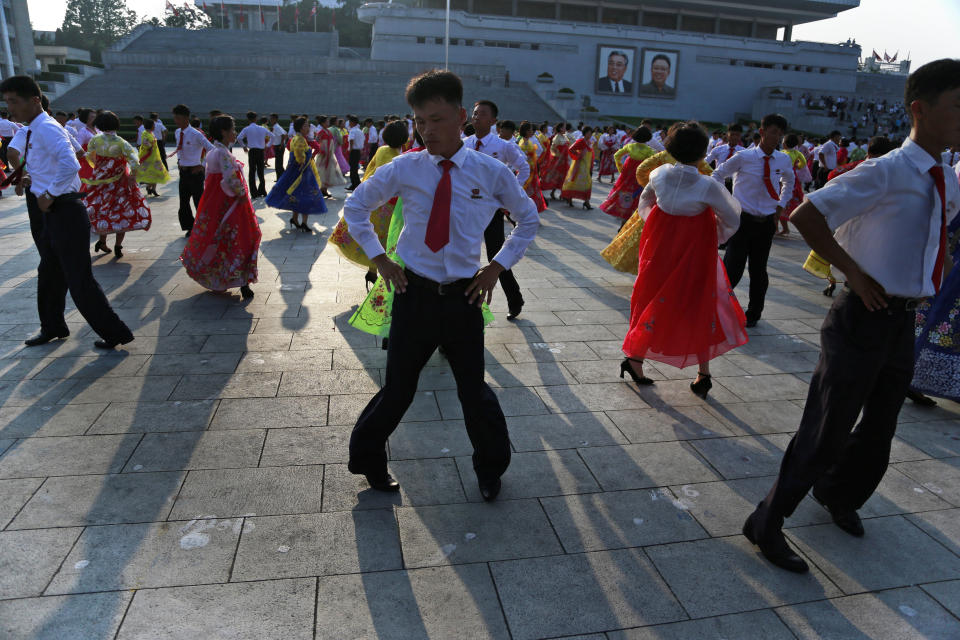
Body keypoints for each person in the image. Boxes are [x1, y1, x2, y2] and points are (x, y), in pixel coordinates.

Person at [743, 59, 960, 574]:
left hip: (901, 320)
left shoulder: (946, 175)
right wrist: (854, 275)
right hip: (860, 316)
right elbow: (807, 215)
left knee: (881, 430)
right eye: (958, 107)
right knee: (827, 427)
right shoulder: (886, 169)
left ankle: (838, 493)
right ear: (920, 110)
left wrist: (930, 283)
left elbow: (937, 236)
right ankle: (766, 521)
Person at [341, 69, 539, 500]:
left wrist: (497, 267)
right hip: (414, 294)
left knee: (474, 391)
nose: (427, 130)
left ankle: (491, 468)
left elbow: (528, 219)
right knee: (397, 390)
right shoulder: (406, 167)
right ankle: (368, 458)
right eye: (419, 121)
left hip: (465, 297)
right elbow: (354, 207)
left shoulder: (491, 172)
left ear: (461, 116)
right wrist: (380, 258)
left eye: (436, 119)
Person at [1, 75, 133, 349]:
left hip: (65, 211)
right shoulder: (34, 129)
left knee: (78, 278)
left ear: (34, 101)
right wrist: (34, 182)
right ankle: (53, 326)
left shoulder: (47, 128)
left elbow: (70, 164)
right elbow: (50, 165)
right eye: (7, 102)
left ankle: (115, 332)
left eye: (14, 102)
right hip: (53, 212)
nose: (10, 108)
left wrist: (49, 194)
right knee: (49, 273)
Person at [620, 121, 745, 396]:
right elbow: (732, 217)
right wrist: (715, 235)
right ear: (703, 152)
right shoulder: (707, 185)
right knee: (698, 304)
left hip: (659, 248)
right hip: (694, 252)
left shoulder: (660, 173)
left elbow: (645, 202)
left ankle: (635, 358)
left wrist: (660, 223)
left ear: (670, 148)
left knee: (648, 298)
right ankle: (703, 373)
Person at [712, 113, 794, 328]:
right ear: (762, 132)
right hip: (742, 220)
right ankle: (718, 308)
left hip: (766, 221)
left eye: (780, 134)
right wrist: (725, 202)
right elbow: (717, 175)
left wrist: (780, 205)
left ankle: (754, 313)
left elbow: (789, 182)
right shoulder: (744, 157)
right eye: (773, 132)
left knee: (759, 270)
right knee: (733, 267)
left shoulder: (784, 159)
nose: (776, 137)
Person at [181, 115, 261, 300]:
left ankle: (221, 280)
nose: (234, 132)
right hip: (231, 206)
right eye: (232, 129)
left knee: (221, 242)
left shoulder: (215, 152)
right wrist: (242, 196)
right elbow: (231, 180)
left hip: (218, 207)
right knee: (241, 239)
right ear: (224, 132)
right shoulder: (223, 153)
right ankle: (242, 282)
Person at [464, 99, 530, 320]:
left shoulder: (503, 146)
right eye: (474, 113)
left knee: (496, 256)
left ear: (493, 121)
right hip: (466, 210)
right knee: (463, 254)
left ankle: (515, 299)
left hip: (491, 210)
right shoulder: (464, 144)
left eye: (482, 114)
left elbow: (524, 168)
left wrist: (509, 195)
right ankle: (464, 304)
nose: (476, 117)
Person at [329, 120, 408, 288]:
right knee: (384, 238)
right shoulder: (395, 157)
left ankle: (373, 272)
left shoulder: (382, 150)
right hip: (384, 206)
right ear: (404, 139)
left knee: (378, 238)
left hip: (375, 204)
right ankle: (375, 273)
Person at [82, 110, 152, 259]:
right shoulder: (121, 142)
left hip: (100, 183)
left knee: (103, 211)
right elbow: (135, 161)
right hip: (120, 183)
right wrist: (131, 176)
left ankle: (102, 241)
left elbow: (90, 156)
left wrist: (100, 169)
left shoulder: (95, 140)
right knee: (122, 212)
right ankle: (118, 245)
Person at [265, 117, 327, 232]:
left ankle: (295, 219)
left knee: (298, 195)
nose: (308, 127)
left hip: (296, 172)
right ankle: (303, 222)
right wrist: (304, 159)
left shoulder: (295, 138)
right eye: (305, 125)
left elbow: (291, 150)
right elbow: (299, 156)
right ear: (300, 128)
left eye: (308, 125)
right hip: (303, 173)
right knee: (306, 196)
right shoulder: (300, 140)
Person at [171, 104, 213, 237]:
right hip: (183, 172)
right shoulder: (178, 132)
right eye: (175, 118)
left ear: (185, 118)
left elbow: (211, 149)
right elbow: (179, 150)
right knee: (183, 202)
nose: (175, 121)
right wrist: (179, 162)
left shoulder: (196, 134)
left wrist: (202, 164)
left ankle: (203, 226)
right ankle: (190, 226)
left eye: (177, 118)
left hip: (196, 173)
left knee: (198, 201)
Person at [599, 126, 655, 223]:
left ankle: (623, 215)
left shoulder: (630, 146)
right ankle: (629, 219)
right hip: (639, 176)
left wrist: (621, 168)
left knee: (624, 192)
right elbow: (652, 164)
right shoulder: (649, 151)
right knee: (636, 195)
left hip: (627, 175)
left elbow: (617, 155)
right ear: (648, 137)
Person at [778, 133, 807, 235]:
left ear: (785, 144)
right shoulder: (797, 153)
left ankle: (779, 229)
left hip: (782, 178)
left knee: (779, 204)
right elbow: (803, 162)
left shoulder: (782, 153)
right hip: (793, 179)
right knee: (787, 205)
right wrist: (798, 166)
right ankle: (784, 228)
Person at [237, 111, 271, 198]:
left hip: (252, 151)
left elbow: (239, 138)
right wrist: (267, 145)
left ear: (248, 119)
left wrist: (244, 146)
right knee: (261, 171)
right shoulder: (262, 128)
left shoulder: (246, 129)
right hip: (261, 151)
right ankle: (262, 190)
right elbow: (273, 136)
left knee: (252, 172)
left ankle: (254, 193)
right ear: (256, 119)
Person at [561, 126, 595, 209]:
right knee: (582, 182)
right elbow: (571, 149)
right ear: (584, 133)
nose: (589, 135)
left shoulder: (590, 142)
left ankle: (584, 201)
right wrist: (578, 156)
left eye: (591, 133)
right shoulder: (581, 141)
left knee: (585, 182)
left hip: (586, 166)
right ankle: (584, 201)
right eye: (588, 133)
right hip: (580, 165)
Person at [517, 121, 547, 213]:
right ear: (526, 131)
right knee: (528, 191)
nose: (532, 132)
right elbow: (524, 158)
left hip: (532, 170)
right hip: (528, 171)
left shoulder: (527, 141)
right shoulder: (524, 143)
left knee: (531, 191)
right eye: (530, 130)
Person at [313, 115, 348, 196]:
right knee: (322, 171)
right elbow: (316, 141)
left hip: (330, 154)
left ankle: (324, 189)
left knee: (328, 172)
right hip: (323, 155)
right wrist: (320, 150)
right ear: (322, 123)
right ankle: (321, 189)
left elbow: (332, 142)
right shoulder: (321, 132)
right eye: (326, 122)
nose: (328, 123)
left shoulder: (328, 131)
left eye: (328, 122)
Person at [136, 118, 170, 197]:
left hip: (155, 156)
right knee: (151, 174)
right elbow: (145, 142)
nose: (154, 126)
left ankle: (152, 188)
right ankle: (150, 187)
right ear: (151, 126)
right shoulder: (145, 133)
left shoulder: (151, 133)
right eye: (154, 125)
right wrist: (150, 146)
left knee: (156, 173)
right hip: (149, 157)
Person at [540, 123, 571, 200]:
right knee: (555, 177)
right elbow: (553, 148)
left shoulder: (565, 137)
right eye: (564, 127)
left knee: (564, 177)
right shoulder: (556, 138)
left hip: (565, 161)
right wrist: (558, 155)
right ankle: (553, 192)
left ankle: (562, 193)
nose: (565, 129)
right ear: (560, 129)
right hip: (558, 161)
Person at [346, 115, 363, 190]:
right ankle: (356, 183)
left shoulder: (352, 130)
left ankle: (355, 184)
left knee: (353, 168)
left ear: (353, 122)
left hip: (354, 150)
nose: (349, 123)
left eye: (349, 121)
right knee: (354, 168)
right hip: (358, 150)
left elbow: (351, 140)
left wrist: (350, 149)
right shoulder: (359, 130)